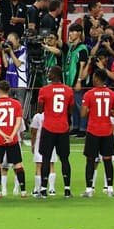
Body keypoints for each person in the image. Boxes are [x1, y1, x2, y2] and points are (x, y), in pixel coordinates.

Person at [81, 70, 114, 198]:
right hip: (107, 131)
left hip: (93, 131)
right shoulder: (112, 94)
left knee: (90, 160)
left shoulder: (89, 94)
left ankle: (89, 189)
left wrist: (91, 110)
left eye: (93, 77)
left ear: (97, 79)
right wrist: (109, 112)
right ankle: (110, 189)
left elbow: (83, 114)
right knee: (108, 160)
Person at [37, 68, 75, 199]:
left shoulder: (44, 90)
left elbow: (40, 109)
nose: (48, 74)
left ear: (55, 75)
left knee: (46, 158)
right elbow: (70, 109)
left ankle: (43, 190)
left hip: (49, 128)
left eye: (50, 72)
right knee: (64, 159)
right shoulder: (68, 90)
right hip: (63, 128)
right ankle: (67, 189)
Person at [0, 80, 28, 198]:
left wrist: (3, 134)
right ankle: (24, 191)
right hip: (12, 139)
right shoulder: (16, 104)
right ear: (9, 90)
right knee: (18, 164)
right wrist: (11, 135)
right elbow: (19, 122)